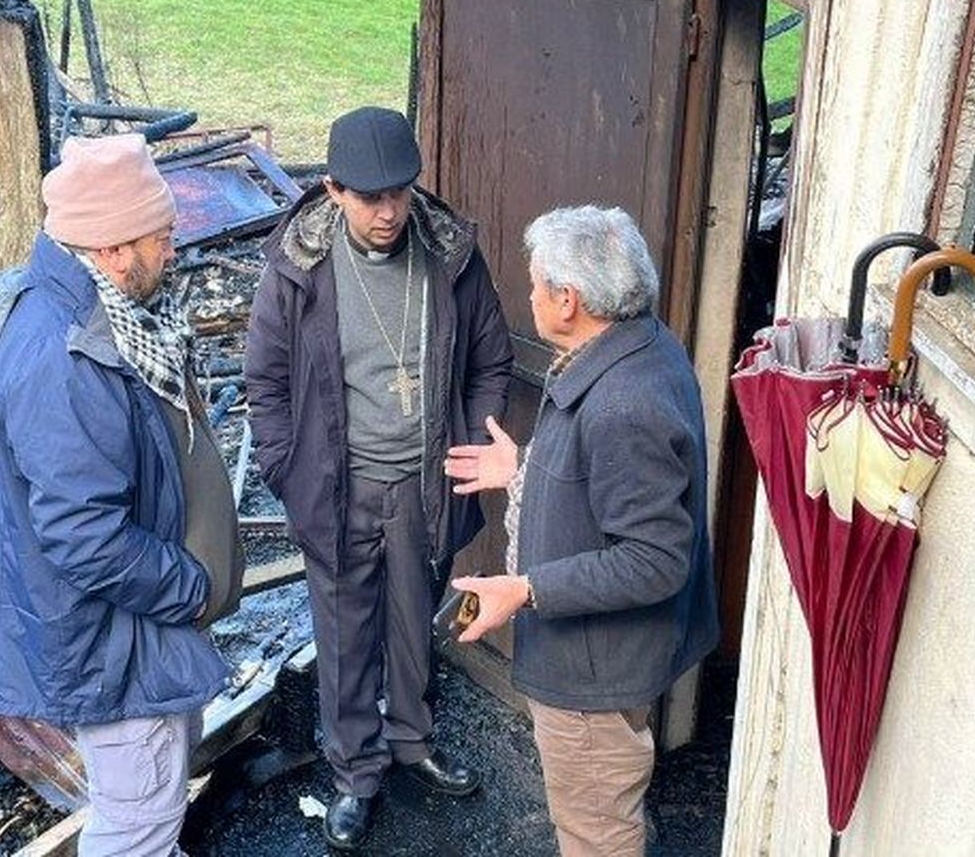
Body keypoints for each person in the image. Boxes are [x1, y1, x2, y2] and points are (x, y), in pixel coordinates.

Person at [244, 106, 513, 850]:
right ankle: (356, 773)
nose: (389, 211)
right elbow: (264, 384)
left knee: (415, 622)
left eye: (400, 191)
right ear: (333, 190)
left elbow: (490, 360)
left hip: (425, 482)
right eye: (370, 197)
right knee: (344, 634)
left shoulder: (450, 254)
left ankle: (413, 742)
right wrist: (284, 468)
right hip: (338, 487)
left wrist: (470, 439)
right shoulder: (298, 269)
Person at [0, 134, 242, 857]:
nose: (173, 250)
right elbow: (85, 537)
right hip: (116, 640)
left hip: (133, 621)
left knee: (148, 807)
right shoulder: (68, 359)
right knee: (138, 821)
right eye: (162, 236)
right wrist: (190, 589)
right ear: (116, 251)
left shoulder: (103, 319)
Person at [442, 205, 718, 857]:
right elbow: (605, 490)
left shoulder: (624, 403)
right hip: (612, 661)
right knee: (604, 808)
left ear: (568, 301)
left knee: (597, 833)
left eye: (537, 283)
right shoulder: (639, 348)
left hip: (592, 676)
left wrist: (526, 589)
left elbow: (654, 559)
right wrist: (525, 471)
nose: (530, 294)